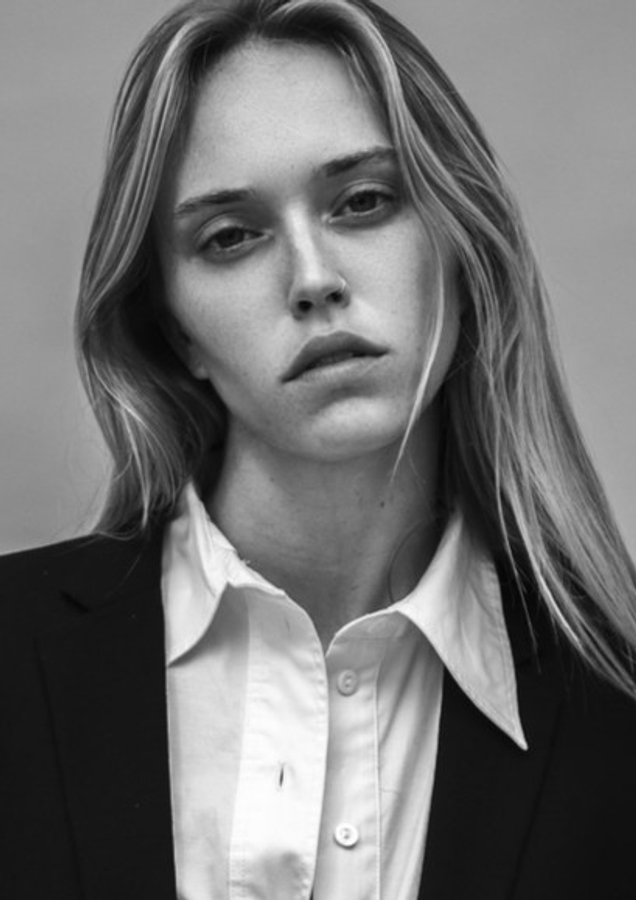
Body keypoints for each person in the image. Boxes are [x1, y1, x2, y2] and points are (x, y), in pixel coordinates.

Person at [2, 0, 636, 897]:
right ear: (173, 328)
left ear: (461, 242)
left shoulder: (616, 708)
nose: (313, 279)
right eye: (231, 237)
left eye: (364, 202)